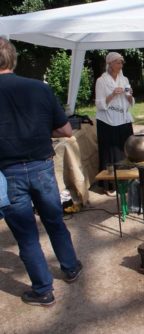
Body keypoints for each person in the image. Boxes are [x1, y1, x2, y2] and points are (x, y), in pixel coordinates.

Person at [0, 37, 82, 306]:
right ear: (13, 58)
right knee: (54, 221)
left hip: (8, 172)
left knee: (26, 236)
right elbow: (66, 130)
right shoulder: (39, 88)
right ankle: (70, 267)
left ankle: (43, 290)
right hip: (41, 167)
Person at [95, 52, 134, 195]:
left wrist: (129, 96)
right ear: (110, 64)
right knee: (109, 153)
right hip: (107, 121)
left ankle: (126, 180)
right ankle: (110, 184)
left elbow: (130, 101)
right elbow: (99, 104)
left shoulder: (125, 80)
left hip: (123, 120)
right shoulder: (101, 81)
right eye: (118, 62)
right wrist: (112, 94)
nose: (121, 65)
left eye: (121, 62)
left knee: (125, 150)